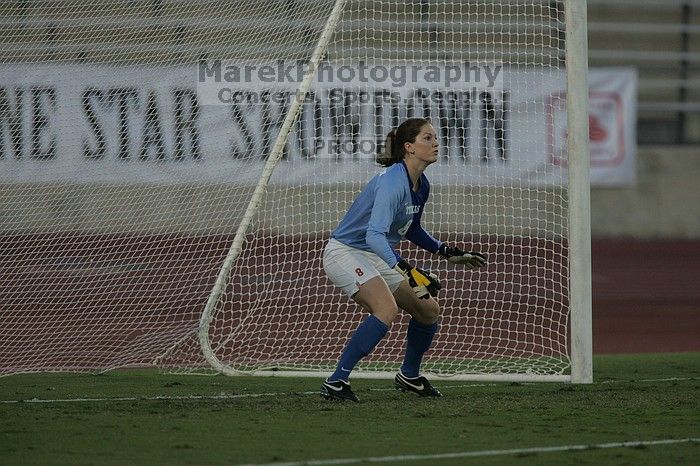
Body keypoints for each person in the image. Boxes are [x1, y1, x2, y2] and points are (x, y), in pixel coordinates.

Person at [321, 117, 487, 402]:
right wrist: (405, 268)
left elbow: (410, 228)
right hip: (344, 252)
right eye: (427, 138)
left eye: (435, 137)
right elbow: (374, 235)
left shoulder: (421, 185)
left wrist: (446, 251)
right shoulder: (392, 183)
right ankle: (337, 381)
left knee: (428, 310)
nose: (436, 143)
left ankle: (409, 375)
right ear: (409, 147)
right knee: (385, 310)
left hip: (375, 253)